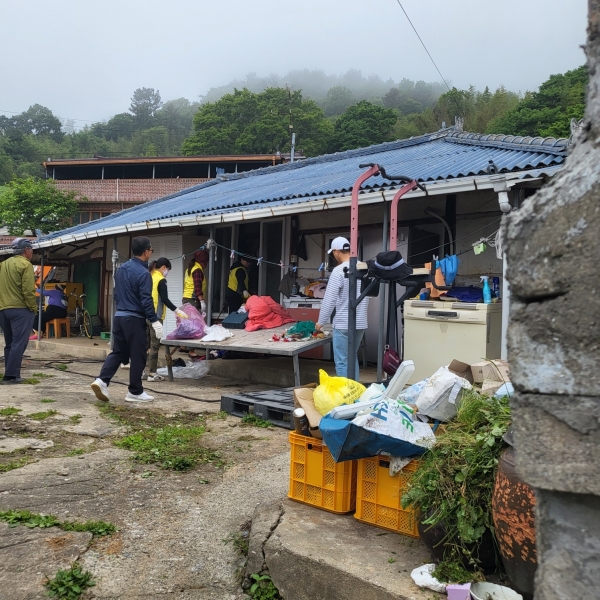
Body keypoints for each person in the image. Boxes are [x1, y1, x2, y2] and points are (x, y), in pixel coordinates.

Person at [91, 236, 162, 403]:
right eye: (151, 250)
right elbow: (146, 299)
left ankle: (102, 380)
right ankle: (135, 391)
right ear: (146, 252)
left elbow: (116, 294)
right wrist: (154, 320)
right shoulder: (144, 273)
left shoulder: (122, 269)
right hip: (134, 318)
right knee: (138, 355)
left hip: (119, 316)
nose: (151, 253)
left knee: (118, 352)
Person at [316, 237, 369, 380]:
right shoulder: (364, 268)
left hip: (343, 323)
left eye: (333, 253)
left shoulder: (339, 270)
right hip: (361, 322)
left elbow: (329, 299)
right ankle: (355, 394)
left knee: (342, 361)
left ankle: (346, 397)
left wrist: (320, 321)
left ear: (336, 252)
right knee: (352, 357)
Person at [0, 238, 37, 384]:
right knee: (19, 343)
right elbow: (28, 290)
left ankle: (8, 374)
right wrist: (33, 308)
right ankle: (11, 376)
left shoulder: (3, 264)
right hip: (20, 310)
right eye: (31, 250)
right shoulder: (25, 264)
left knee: (10, 343)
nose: (32, 252)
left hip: (3, 309)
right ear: (26, 250)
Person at [146, 258, 188, 382]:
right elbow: (164, 299)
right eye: (168, 269)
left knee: (145, 345)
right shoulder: (161, 280)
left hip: (145, 315)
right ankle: (152, 374)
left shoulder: (149, 276)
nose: (167, 272)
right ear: (164, 267)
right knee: (154, 345)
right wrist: (177, 310)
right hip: (156, 317)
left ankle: (142, 372)